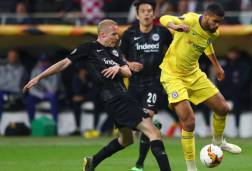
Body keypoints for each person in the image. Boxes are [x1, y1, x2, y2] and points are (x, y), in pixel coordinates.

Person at [23, 19, 171, 171]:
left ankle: (93, 161)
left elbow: (128, 72)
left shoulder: (115, 51)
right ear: (102, 35)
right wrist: (39, 77)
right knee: (153, 132)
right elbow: (64, 63)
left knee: (126, 139)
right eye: (114, 34)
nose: (117, 37)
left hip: (117, 100)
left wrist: (118, 69)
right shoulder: (89, 48)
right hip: (118, 99)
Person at [159, 3, 241, 171]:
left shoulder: (214, 32)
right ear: (206, 15)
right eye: (215, 21)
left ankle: (218, 142)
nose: (217, 25)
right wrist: (175, 26)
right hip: (173, 75)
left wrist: (216, 65)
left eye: (220, 22)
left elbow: (206, 42)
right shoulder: (189, 19)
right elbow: (163, 18)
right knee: (189, 122)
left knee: (223, 108)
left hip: (194, 74)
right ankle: (191, 168)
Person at [120, 1, 172, 171]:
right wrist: (129, 63)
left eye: (149, 10)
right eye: (143, 11)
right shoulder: (129, 34)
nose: (147, 14)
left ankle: (139, 164)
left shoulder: (162, 33)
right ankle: (140, 161)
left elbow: (173, 50)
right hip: (134, 84)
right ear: (137, 15)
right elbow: (119, 55)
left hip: (154, 82)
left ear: (154, 14)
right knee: (133, 128)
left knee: (147, 117)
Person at [25, 54, 60, 123]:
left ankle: (55, 124)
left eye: (45, 61)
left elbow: (53, 90)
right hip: (39, 95)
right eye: (41, 61)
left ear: (48, 62)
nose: (43, 63)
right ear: (38, 62)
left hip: (50, 94)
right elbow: (31, 89)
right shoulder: (35, 71)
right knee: (29, 99)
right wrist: (42, 95)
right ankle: (32, 123)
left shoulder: (55, 71)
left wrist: (42, 76)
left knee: (54, 98)